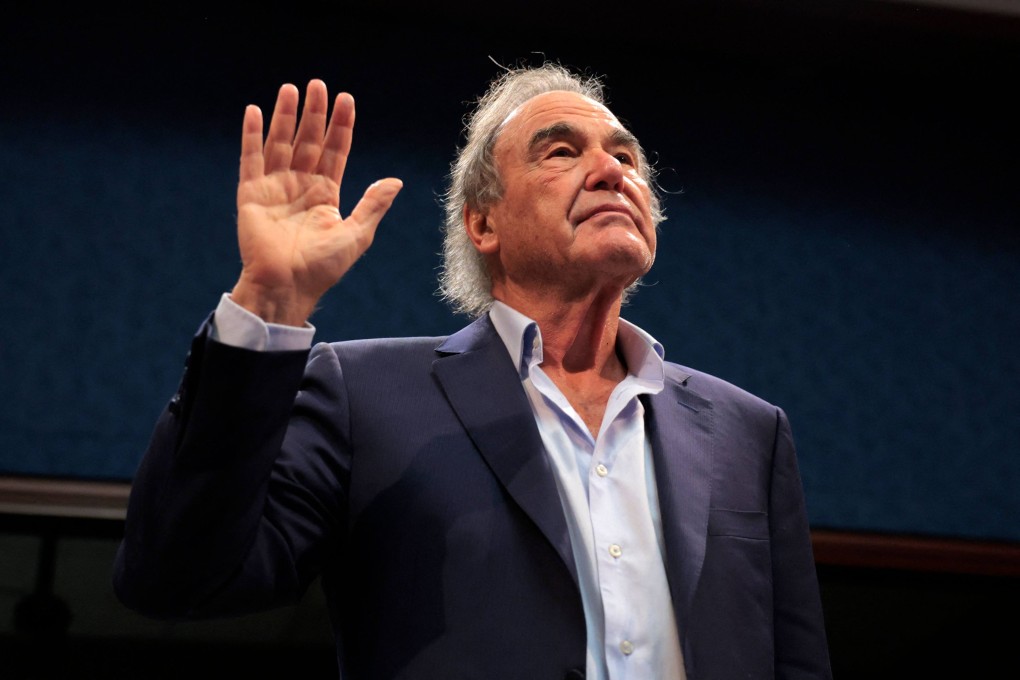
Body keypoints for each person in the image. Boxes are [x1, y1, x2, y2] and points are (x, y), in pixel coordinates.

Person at [113, 63, 832, 680]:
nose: (613, 170)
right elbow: (177, 577)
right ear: (483, 224)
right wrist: (269, 302)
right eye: (560, 151)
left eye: (627, 156)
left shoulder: (749, 431)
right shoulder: (363, 397)